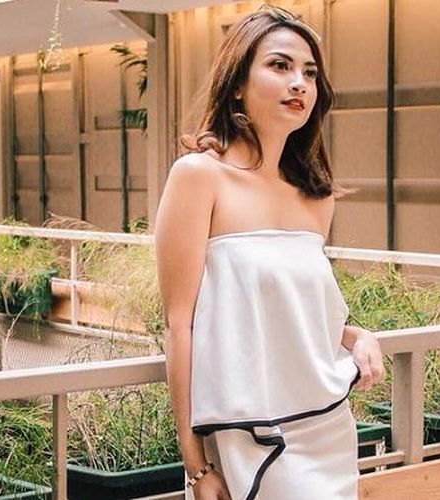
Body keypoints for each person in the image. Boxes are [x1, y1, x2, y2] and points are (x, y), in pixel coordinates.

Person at [154, 5, 385, 499]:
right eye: (280, 66)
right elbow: (180, 324)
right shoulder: (198, 177)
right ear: (238, 83)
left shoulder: (316, 197)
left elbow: (293, 316)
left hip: (325, 427)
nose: (299, 83)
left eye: (310, 73)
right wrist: (196, 465)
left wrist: (357, 335)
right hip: (245, 430)